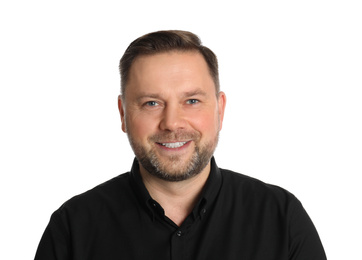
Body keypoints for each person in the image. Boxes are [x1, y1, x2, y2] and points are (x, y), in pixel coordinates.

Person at [34, 30, 327, 260]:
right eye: (151, 103)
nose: (172, 123)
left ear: (220, 110)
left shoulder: (282, 219)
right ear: (123, 114)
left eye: (192, 101)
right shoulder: (72, 228)